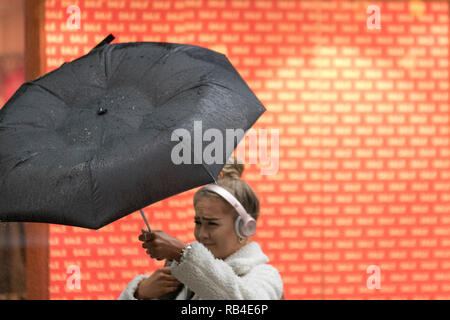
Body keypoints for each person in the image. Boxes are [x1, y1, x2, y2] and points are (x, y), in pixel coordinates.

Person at [118, 158, 283, 300]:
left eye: (212, 223)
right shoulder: (181, 278)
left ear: (244, 228)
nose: (202, 234)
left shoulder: (265, 276)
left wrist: (183, 253)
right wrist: (141, 293)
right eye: (198, 222)